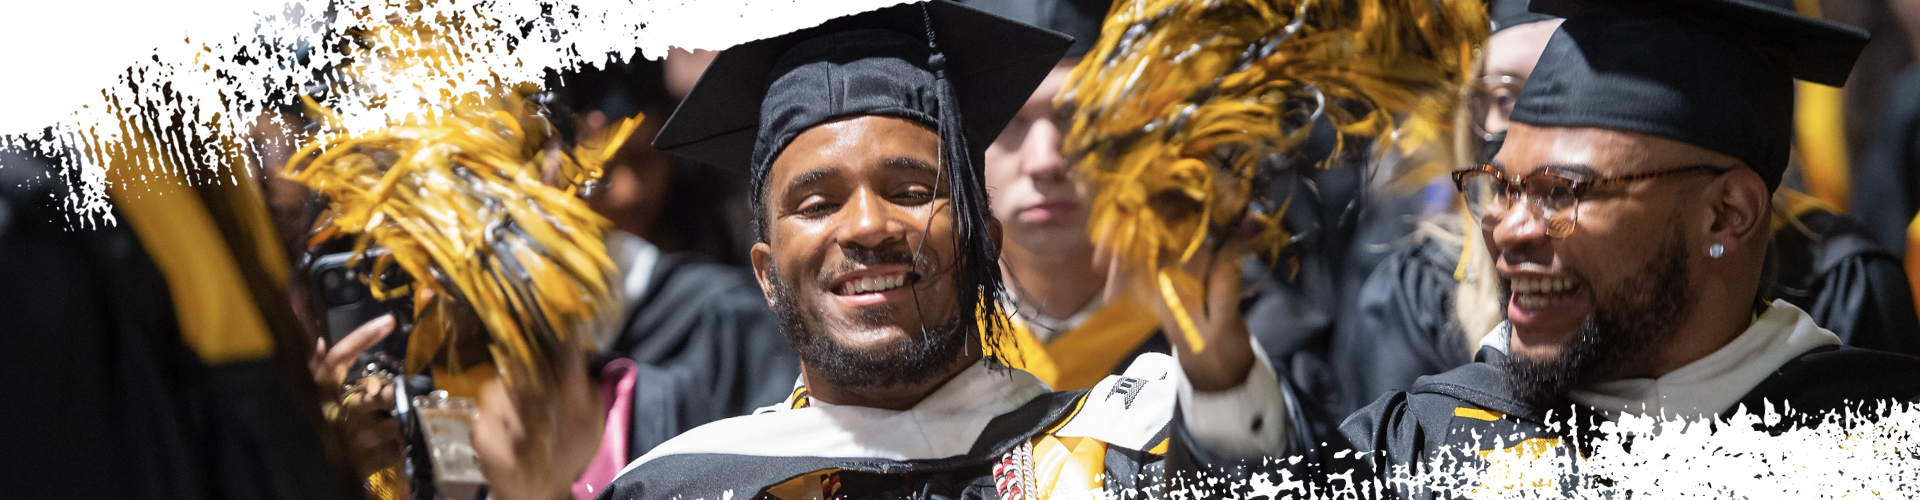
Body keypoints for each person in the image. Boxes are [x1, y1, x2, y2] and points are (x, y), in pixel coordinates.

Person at [598, 3, 1312, 498]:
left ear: (986, 239)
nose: (868, 225)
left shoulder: (1128, 448)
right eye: (818, 204)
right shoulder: (681, 486)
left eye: (912, 190)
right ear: (765, 274)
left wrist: (1217, 369)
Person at [1338, 0, 1920, 495]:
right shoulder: (1410, 451)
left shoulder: (1879, 444)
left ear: (1726, 215)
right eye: (1501, 187)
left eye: (1562, 192)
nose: (1508, 229)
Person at [549, 59, 804, 461]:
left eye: (642, 159)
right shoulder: (516, 318)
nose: (628, 192)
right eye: (603, 171)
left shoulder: (728, 316)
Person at [964, 0, 1170, 392]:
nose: (1045, 160)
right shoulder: (918, 345)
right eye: (1009, 120)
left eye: (1076, 115)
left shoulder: (1237, 338)